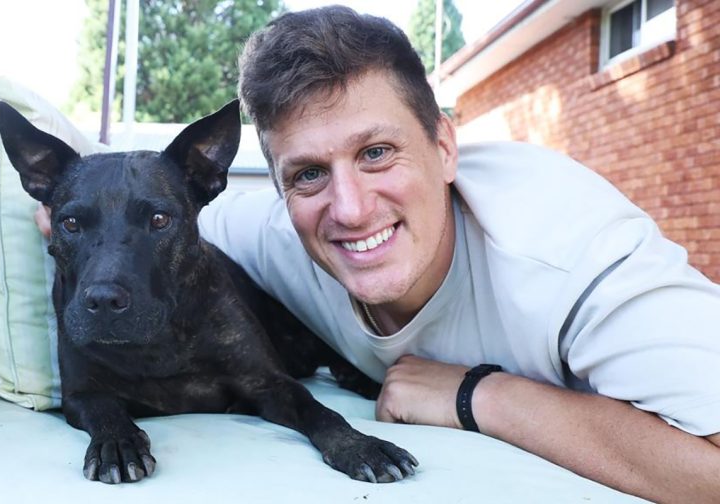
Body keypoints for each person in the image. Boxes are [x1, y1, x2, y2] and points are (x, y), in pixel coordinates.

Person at [36, 6, 720, 502]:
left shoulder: (575, 253)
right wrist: (64, 224)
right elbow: (135, 211)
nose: (351, 209)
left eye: (377, 152)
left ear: (444, 147)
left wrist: (478, 395)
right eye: (308, 173)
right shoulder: (272, 232)